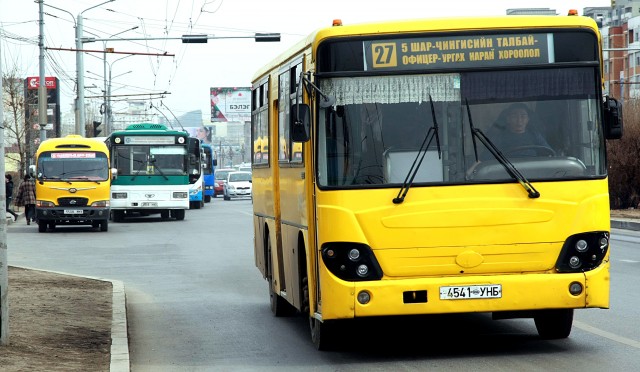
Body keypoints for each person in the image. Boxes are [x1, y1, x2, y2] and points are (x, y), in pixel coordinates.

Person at [484, 103, 552, 158]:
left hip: (533, 170)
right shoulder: (500, 137)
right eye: (514, 116)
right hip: (509, 172)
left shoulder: (534, 135)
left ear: (528, 119)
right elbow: (486, 157)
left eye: (523, 116)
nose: (519, 121)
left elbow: (549, 153)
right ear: (508, 119)